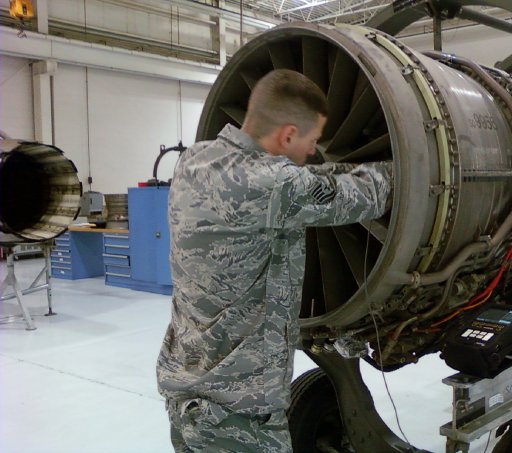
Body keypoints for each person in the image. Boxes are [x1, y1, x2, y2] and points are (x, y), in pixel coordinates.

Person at [157, 68, 393, 453]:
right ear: (286, 135)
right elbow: (364, 194)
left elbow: (313, 178)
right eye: (313, 140)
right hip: (239, 417)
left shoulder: (194, 160)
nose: (315, 151)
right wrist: (408, 165)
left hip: (187, 396)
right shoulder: (272, 185)